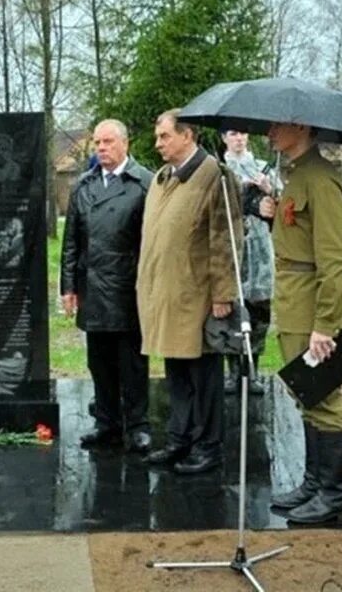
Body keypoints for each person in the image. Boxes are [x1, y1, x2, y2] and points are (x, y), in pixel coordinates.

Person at [259, 123, 342, 524]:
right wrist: (271, 215)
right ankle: (314, 483)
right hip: (294, 302)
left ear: (300, 128)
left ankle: (334, 494)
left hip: (315, 309)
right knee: (307, 396)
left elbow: (334, 259)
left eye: (276, 126)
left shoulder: (321, 179)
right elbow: (297, 239)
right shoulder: (297, 175)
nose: (269, 132)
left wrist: (326, 324)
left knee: (325, 401)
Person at [137, 109, 241, 474]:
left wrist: (223, 294)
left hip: (199, 297)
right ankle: (180, 439)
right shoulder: (162, 178)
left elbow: (225, 240)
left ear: (187, 135)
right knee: (176, 372)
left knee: (204, 376)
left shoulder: (215, 176)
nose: (158, 143)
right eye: (158, 136)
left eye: (164, 136)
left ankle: (208, 446)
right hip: (166, 294)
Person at [61, 119, 154, 453]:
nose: (101, 148)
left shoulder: (144, 183)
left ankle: (138, 424)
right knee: (98, 362)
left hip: (128, 287)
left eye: (108, 142)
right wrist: (68, 286)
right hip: (93, 288)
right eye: (97, 142)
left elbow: (152, 243)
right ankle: (107, 422)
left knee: (131, 362)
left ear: (125, 144)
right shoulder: (83, 185)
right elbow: (72, 240)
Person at [220, 128, 277, 396]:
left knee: (259, 310)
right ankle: (232, 370)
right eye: (233, 134)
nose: (239, 138)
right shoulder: (219, 171)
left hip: (261, 252)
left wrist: (269, 190)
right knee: (234, 310)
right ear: (224, 138)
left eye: (243, 133)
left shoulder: (264, 167)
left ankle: (254, 369)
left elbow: (282, 209)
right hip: (232, 251)